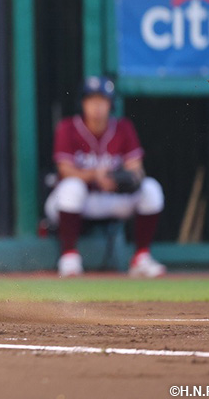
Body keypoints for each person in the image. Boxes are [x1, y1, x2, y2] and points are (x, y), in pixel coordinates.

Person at [45, 76, 166, 278]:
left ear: (110, 104)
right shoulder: (68, 127)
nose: (97, 106)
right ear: (82, 103)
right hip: (77, 202)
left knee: (151, 189)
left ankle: (141, 258)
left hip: (112, 197)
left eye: (102, 100)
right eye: (91, 100)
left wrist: (118, 180)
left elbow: (137, 170)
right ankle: (69, 258)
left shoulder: (123, 127)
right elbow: (65, 170)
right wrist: (95, 175)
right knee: (71, 186)